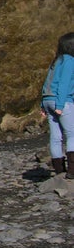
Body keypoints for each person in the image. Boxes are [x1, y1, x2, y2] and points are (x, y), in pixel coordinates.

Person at [40, 32, 74, 177]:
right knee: (72, 134)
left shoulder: (56, 61)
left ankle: (59, 170)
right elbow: (64, 84)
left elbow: (47, 82)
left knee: (55, 136)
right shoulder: (70, 61)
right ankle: (72, 171)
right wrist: (60, 105)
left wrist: (43, 105)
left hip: (48, 99)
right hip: (62, 100)